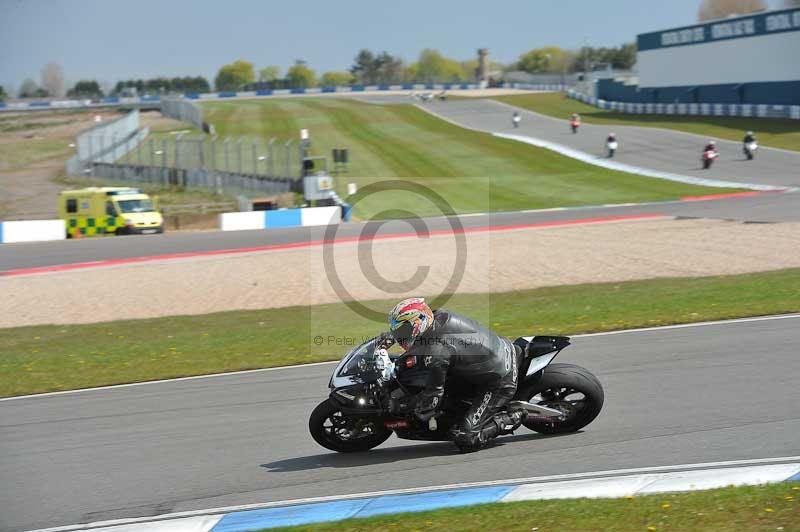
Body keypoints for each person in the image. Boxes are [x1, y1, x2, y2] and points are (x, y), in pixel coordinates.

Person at [386, 297, 526, 451]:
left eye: (403, 331)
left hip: (500, 380)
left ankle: (513, 417)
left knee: (465, 438)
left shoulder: (437, 352)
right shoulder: (438, 316)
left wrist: (404, 406)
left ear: (418, 323)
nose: (400, 336)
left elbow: (433, 398)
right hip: (499, 351)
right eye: (398, 332)